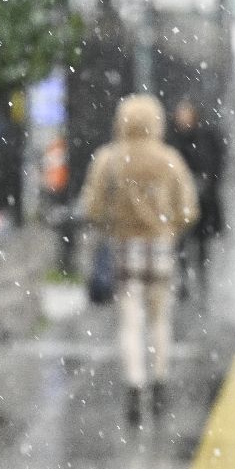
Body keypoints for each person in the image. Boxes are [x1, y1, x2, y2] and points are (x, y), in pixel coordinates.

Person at [80, 94, 199, 425]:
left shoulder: (110, 159)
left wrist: (113, 221)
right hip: (161, 247)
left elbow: (91, 207)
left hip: (124, 247)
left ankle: (134, 384)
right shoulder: (169, 160)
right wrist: (169, 224)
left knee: (130, 321)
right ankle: (159, 381)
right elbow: (188, 209)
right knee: (160, 320)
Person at [166, 96, 227, 298]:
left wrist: (206, 183)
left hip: (202, 200)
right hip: (181, 200)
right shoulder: (174, 140)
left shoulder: (205, 137)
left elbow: (214, 163)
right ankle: (184, 280)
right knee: (182, 241)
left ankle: (201, 279)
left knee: (201, 243)